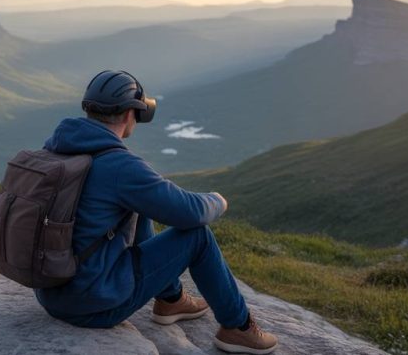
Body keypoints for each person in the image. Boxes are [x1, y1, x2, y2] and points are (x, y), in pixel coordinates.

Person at [34, 70, 278, 354]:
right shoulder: (120, 166)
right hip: (92, 305)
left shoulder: (60, 147)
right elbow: (189, 213)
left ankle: (171, 299)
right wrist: (217, 200)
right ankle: (239, 328)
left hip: (52, 293)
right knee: (197, 236)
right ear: (130, 114)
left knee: (137, 209)